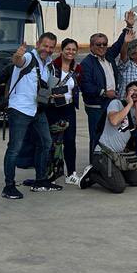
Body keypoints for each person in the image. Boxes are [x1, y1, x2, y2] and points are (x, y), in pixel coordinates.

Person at [1, 34, 59, 199]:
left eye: (51, 47)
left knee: (46, 142)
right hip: (20, 109)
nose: (47, 50)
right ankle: (9, 186)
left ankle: (40, 180)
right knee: (14, 149)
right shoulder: (28, 57)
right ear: (38, 44)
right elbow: (18, 62)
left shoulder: (46, 64)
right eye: (45, 46)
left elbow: (40, 86)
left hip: (37, 110)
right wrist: (18, 55)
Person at [76, 81, 137, 193]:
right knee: (118, 187)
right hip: (103, 153)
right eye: (132, 90)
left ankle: (113, 173)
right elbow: (114, 121)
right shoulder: (116, 103)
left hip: (119, 156)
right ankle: (92, 174)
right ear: (126, 94)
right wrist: (129, 104)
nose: (135, 92)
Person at [79, 28, 127, 161]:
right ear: (91, 46)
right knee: (97, 136)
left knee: (110, 135)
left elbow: (118, 44)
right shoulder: (86, 63)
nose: (102, 47)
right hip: (96, 107)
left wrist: (128, 27)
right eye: (98, 44)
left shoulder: (109, 57)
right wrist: (104, 93)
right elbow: (86, 86)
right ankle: (94, 166)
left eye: (104, 44)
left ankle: (107, 165)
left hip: (110, 104)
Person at [48, 37, 80, 185]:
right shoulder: (52, 67)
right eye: (68, 49)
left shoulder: (76, 69)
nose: (70, 52)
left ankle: (71, 173)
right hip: (53, 108)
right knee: (53, 142)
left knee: (70, 140)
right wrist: (51, 94)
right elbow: (43, 86)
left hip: (69, 107)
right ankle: (52, 174)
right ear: (61, 50)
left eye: (74, 50)